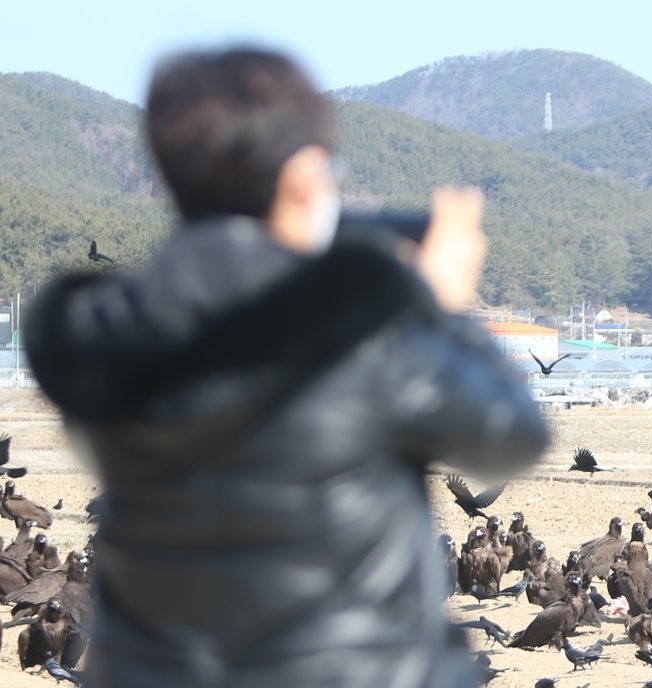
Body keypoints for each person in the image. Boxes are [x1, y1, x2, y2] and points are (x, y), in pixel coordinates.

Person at [25, 47, 549, 687]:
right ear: (303, 176)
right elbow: (512, 436)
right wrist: (437, 304)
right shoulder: (364, 333)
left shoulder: (97, 333)